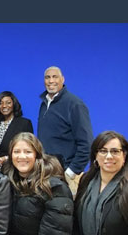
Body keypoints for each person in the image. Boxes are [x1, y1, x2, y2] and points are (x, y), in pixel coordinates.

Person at [36, 66, 93, 195]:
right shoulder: (44, 104)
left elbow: (87, 144)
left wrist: (71, 172)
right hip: (45, 175)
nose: (51, 81)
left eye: (55, 77)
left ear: (63, 79)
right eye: (47, 77)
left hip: (66, 177)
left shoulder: (75, 104)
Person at [0, 91, 34, 169]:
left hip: (14, 167)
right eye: (1, 103)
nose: (4, 106)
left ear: (14, 104)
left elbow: (28, 150)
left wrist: (6, 159)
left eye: (8, 103)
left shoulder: (24, 123)